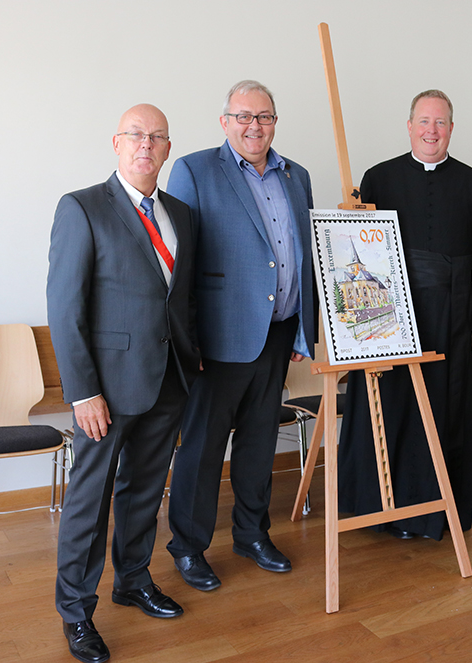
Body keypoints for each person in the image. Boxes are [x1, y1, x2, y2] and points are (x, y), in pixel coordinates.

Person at [47, 104, 199, 663]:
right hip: (105, 392)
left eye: (157, 137)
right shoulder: (82, 207)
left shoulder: (181, 213)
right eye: (136, 134)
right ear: (117, 143)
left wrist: (193, 362)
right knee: (89, 502)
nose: (146, 144)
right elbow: (65, 309)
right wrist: (83, 391)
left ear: (166, 148)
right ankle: (76, 613)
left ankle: (133, 580)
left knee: (143, 491)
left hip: (168, 382)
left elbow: (180, 298)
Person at [164, 80, 315, 590]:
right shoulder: (194, 169)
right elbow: (181, 265)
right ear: (225, 121)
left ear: (275, 121)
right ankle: (188, 547)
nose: (255, 126)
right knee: (203, 448)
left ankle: (252, 534)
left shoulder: (297, 175)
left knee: (258, 443)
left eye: (265, 116)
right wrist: (191, 342)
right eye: (245, 116)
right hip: (219, 339)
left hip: (277, 335)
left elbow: (305, 257)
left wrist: (303, 329)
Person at [337, 89, 472, 538]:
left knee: (444, 414)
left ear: (452, 128)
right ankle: (383, 511)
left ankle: (435, 516)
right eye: (424, 122)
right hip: (391, 318)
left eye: (441, 122)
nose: (432, 131)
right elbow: (357, 250)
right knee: (390, 411)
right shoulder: (378, 177)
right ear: (409, 126)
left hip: (453, 319)